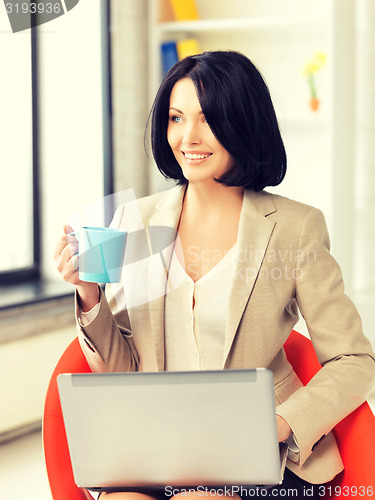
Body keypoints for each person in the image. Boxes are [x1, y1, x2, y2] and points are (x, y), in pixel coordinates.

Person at [55, 51, 375, 499]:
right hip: (157, 451)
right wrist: (89, 293)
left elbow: (354, 360)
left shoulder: (296, 227)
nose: (188, 137)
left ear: (243, 123)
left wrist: (279, 425)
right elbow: (125, 370)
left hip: (261, 459)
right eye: (175, 118)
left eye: (207, 120)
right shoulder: (136, 220)